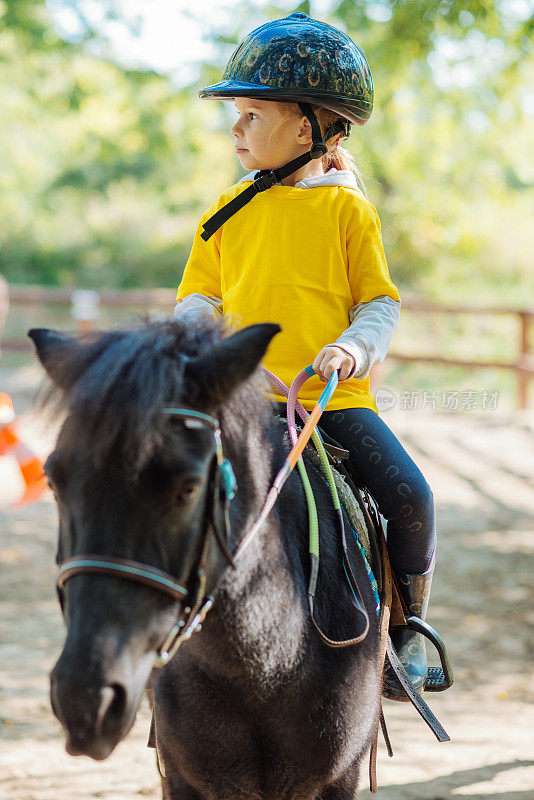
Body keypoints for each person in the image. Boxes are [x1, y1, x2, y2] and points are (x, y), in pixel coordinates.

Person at [174, 12, 437, 701]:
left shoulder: (349, 214)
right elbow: (197, 298)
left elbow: (378, 303)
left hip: (332, 403)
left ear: (307, 128)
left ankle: (409, 634)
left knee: (412, 496)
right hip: (242, 403)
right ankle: (167, 626)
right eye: (235, 115)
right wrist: (200, 338)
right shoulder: (226, 211)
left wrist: (353, 349)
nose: (236, 130)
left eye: (251, 114)